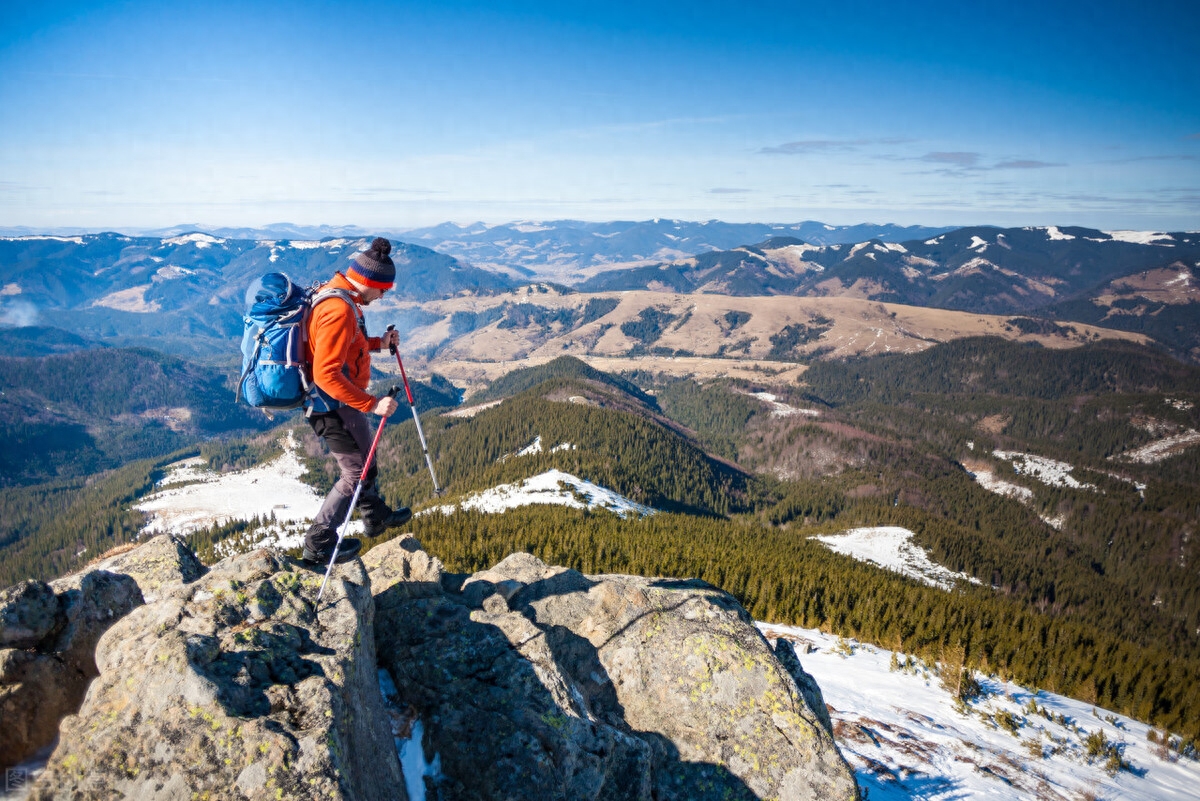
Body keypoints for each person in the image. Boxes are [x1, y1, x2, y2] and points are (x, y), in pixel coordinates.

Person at [301, 237, 411, 564]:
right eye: (383, 289)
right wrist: (371, 404)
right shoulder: (338, 309)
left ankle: (374, 515)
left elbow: (350, 348)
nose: (383, 296)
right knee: (355, 474)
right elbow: (326, 375)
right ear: (368, 282)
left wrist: (380, 342)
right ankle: (318, 543)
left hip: (343, 401)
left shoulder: (343, 297)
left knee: (367, 458)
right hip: (329, 405)